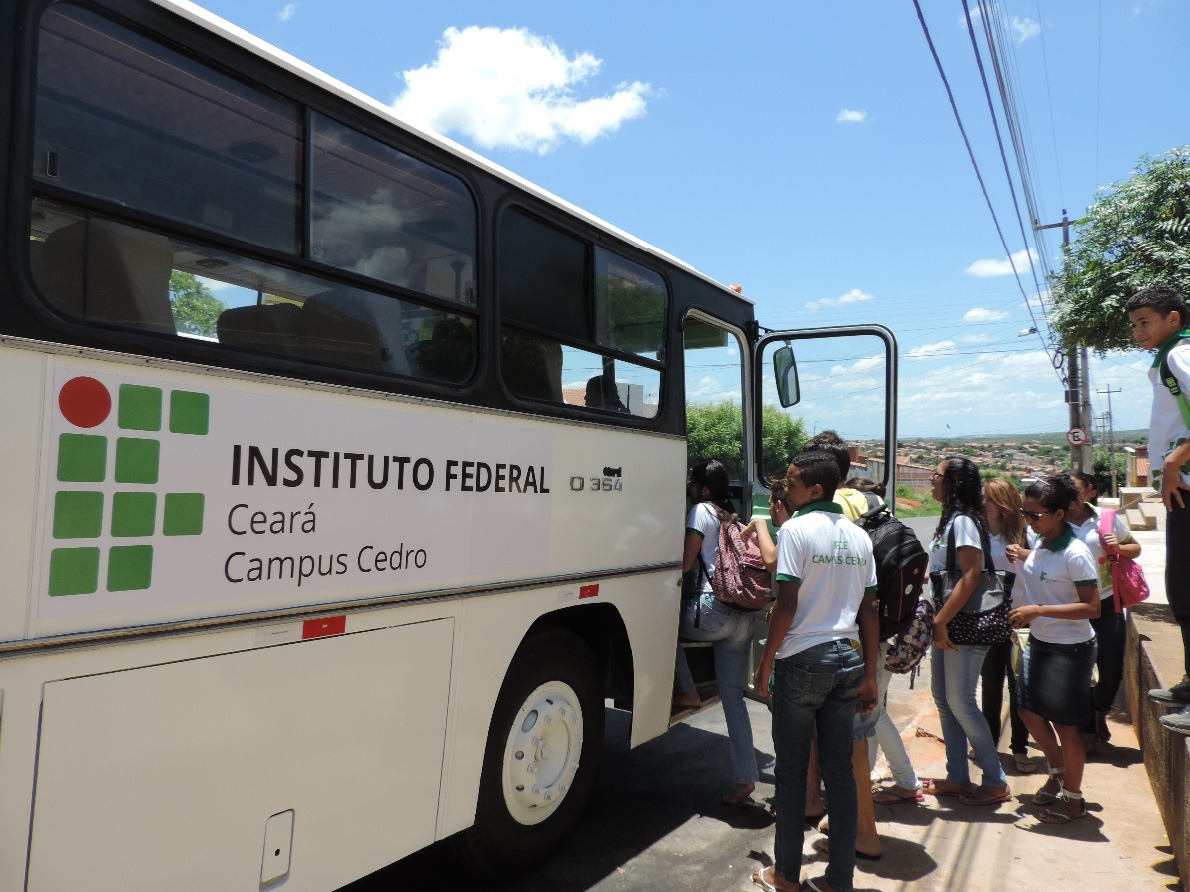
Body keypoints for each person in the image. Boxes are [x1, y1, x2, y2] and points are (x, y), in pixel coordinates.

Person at [752, 451, 879, 892]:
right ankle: (838, 880)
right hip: (847, 659)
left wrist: (766, 661)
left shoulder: (794, 531)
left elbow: (786, 604)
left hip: (803, 661)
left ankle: (785, 876)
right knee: (839, 773)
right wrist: (870, 675)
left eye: (791, 483)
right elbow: (869, 610)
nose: (785, 489)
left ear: (816, 490)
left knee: (790, 773)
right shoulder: (859, 536)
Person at [1007, 474, 1100, 824]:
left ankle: (1074, 800)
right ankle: (1059, 772)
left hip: (1069, 649)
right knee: (1028, 712)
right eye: (1025, 513)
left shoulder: (1076, 553)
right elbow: (1044, 573)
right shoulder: (1043, 542)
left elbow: (1093, 607)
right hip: (1042, 642)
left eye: (1035, 515)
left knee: (1067, 726)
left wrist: (1038, 610)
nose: (1028, 521)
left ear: (1059, 514)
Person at [922, 457, 1012, 807]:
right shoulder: (951, 521)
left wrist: (941, 620)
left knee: (961, 701)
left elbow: (972, 574)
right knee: (945, 700)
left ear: (953, 483)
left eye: (938, 474)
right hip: (948, 622)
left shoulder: (964, 522)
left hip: (963, 624)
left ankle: (995, 779)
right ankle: (958, 776)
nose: (932, 479)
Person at [673, 460, 761, 806]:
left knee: (657, 627)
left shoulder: (700, 512)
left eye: (693, 482)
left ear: (704, 489)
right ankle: (745, 780)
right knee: (734, 700)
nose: (691, 487)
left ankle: (689, 691)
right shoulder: (732, 516)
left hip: (712, 612)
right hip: (742, 617)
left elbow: (686, 562)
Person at [1126, 285, 1190, 736]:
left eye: (1145, 322)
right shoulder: (1167, 360)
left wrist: (1172, 463)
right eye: (1134, 325)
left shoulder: (1179, 355)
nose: (1138, 332)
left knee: (1187, 591)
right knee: (1181, 593)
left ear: (1173, 318)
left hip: (1186, 486)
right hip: (1181, 489)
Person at [1065, 471, 1141, 747]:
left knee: (1111, 668)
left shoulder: (1106, 518)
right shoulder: (1056, 521)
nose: (1071, 495)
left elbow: (1135, 547)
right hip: (1071, 604)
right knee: (1080, 668)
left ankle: (1099, 710)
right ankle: (1085, 732)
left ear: (1090, 491)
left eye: (1076, 489)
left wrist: (1118, 547)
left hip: (1107, 601)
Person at [979, 477, 1034, 774]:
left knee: (1018, 688)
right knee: (990, 684)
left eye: (990, 499)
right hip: (988, 618)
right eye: (983, 498)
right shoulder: (979, 535)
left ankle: (1019, 747)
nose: (984, 504)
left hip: (1019, 620)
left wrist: (1028, 556)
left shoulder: (1026, 536)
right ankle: (988, 742)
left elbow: (1045, 571)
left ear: (1004, 504)